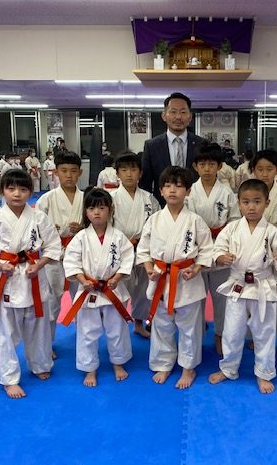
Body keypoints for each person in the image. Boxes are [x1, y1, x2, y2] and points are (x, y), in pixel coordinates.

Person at [0, 169, 62, 399]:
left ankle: (40, 364)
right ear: (2, 191)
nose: (17, 194)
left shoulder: (39, 218)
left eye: (23, 189)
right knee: (6, 332)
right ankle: (9, 379)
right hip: (8, 277)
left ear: (30, 192)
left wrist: (39, 264)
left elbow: (53, 246)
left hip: (34, 275)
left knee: (39, 325)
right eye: (11, 188)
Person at [208, 179, 277, 394]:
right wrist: (221, 258)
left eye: (257, 201)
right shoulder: (232, 228)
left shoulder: (272, 231)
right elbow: (217, 250)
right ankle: (228, 368)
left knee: (264, 332)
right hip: (237, 285)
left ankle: (264, 372)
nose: (251, 207)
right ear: (239, 204)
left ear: (267, 203)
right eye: (246, 202)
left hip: (263, 286)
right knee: (232, 331)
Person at [136, 166, 214, 389]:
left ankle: (188, 367)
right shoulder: (154, 220)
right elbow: (143, 249)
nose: (172, 190)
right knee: (161, 325)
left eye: (179, 186)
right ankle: (164, 363)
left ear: (188, 192)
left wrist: (196, 269)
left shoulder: (195, 221)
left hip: (186, 279)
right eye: (168, 186)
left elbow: (207, 249)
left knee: (190, 327)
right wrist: (148, 268)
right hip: (160, 278)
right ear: (161, 190)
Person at [62, 188, 135, 387]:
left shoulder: (118, 237)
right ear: (86, 212)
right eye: (92, 208)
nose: (97, 212)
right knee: (87, 331)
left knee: (117, 329)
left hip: (113, 290)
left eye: (102, 208)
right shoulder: (80, 237)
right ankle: (90, 368)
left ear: (110, 210)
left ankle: (118, 363)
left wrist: (117, 277)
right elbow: (71, 261)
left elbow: (128, 259)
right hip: (88, 290)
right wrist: (82, 279)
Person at [186, 144, 241, 354]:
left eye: (211, 164)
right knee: (196, 299)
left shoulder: (227, 193)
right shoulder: (190, 192)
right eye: (202, 164)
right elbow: (186, 222)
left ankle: (220, 335)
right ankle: (196, 336)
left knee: (222, 299)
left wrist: (223, 238)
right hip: (196, 251)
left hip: (221, 250)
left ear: (219, 166)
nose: (207, 169)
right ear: (195, 166)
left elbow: (235, 221)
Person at [35, 151, 84, 356]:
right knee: (50, 301)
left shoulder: (86, 198)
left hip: (80, 255)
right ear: (56, 172)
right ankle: (47, 343)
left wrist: (83, 228)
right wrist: (47, 231)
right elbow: (33, 229)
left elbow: (99, 223)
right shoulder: (46, 199)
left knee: (82, 297)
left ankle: (85, 340)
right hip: (53, 256)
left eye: (73, 171)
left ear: (80, 173)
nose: (69, 175)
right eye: (64, 171)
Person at [110, 152, 160, 338]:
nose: (129, 174)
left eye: (133, 169)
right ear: (117, 174)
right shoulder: (111, 198)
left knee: (143, 287)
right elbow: (106, 226)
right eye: (124, 170)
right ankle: (118, 324)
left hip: (143, 249)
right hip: (120, 250)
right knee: (119, 287)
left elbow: (157, 224)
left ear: (140, 173)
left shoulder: (149, 198)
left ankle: (139, 323)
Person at [140, 92, 208, 205]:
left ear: (190, 116)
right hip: (162, 207)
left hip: (197, 206)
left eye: (183, 112)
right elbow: (145, 184)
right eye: (173, 112)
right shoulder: (152, 146)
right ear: (164, 116)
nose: (178, 117)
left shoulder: (202, 144)